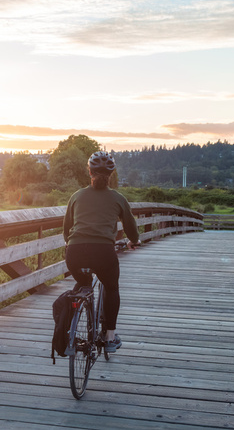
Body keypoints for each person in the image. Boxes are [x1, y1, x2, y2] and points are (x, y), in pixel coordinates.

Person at [63, 151, 140, 353]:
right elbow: (131, 229)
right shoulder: (118, 198)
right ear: (112, 174)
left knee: (82, 283)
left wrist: (70, 245)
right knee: (112, 288)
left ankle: (69, 330)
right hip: (104, 253)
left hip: (75, 252)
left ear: (89, 171)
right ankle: (109, 338)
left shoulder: (76, 196)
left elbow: (66, 229)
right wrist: (133, 241)